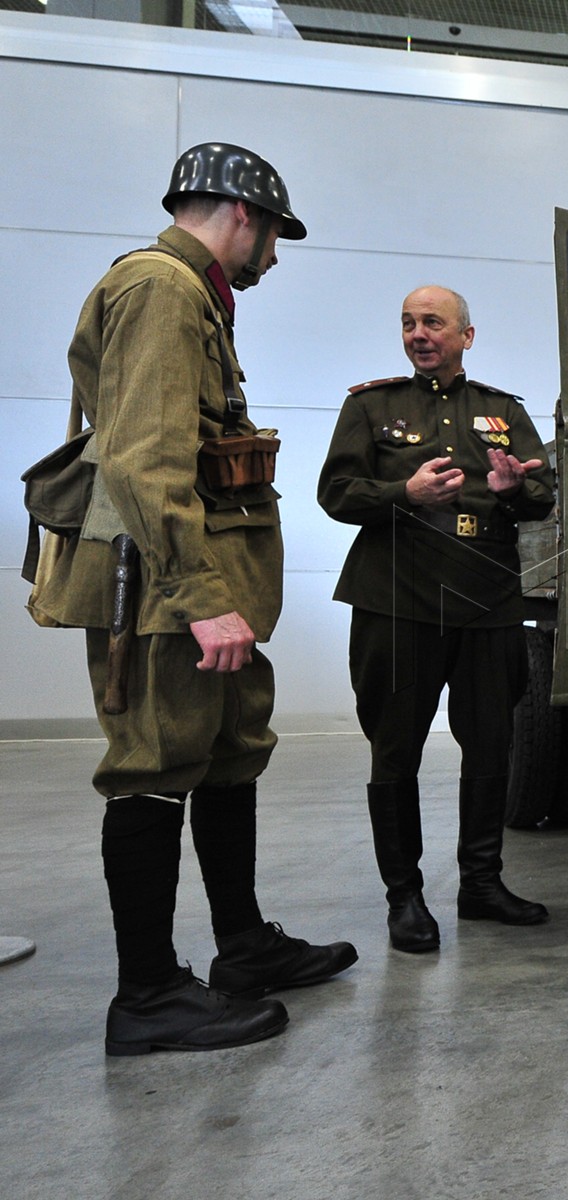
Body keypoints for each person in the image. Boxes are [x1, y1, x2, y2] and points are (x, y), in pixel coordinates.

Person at [27, 143, 357, 1055]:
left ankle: (240, 946)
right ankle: (146, 995)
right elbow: (144, 458)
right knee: (155, 764)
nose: (274, 259)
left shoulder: (191, 296)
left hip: (204, 587)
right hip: (171, 592)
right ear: (240, 215)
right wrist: (198, 597)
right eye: (274, 237)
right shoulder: (162, 289)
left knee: (227, 750)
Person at [318, 286, 556, 954]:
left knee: (490, 744)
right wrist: (405, 491)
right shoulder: (371, 405)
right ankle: (406, 898)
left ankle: (481, 884)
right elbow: (335, 492)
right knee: (396, 749)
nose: (418, 333)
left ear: (465, 335)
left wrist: (513, 492)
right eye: (407, 323)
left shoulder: (501, 411)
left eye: (432, 322)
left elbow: (541, 491)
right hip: (397, 600)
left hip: (487, 600)